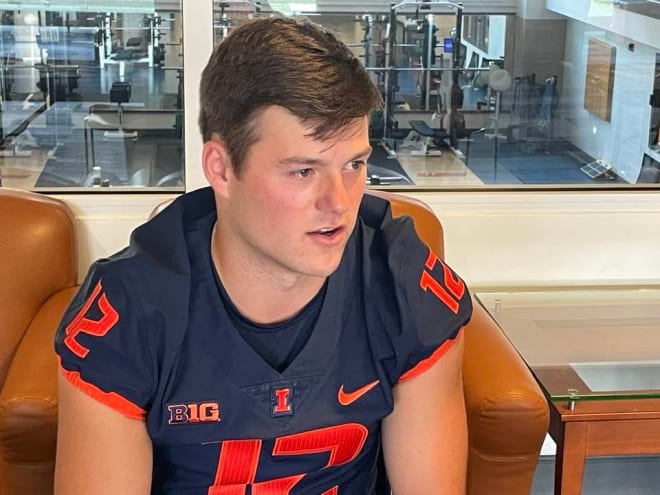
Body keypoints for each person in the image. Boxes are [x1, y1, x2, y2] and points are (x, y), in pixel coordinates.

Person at [54, 16, 472, 494]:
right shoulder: (129, 312)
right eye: (302, 171)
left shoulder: (401, 281)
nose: (338, 203)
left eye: (354, 164)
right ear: (222, 168)